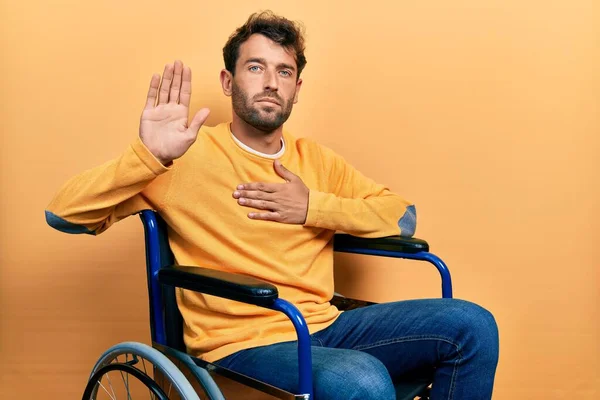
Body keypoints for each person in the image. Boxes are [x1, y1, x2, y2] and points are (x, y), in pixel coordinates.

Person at [46, 11, 499, 400]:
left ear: (297, 88)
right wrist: (150, 156)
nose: (270, 83)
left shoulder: (316, 161)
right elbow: (63, 214)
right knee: (361, 379)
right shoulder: (184, 156)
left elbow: (403, 218)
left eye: (283, 72)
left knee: (473, 325)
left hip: (324, 324)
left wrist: (312, 207)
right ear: (229, 80)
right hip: (242, 339)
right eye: (256, 67)